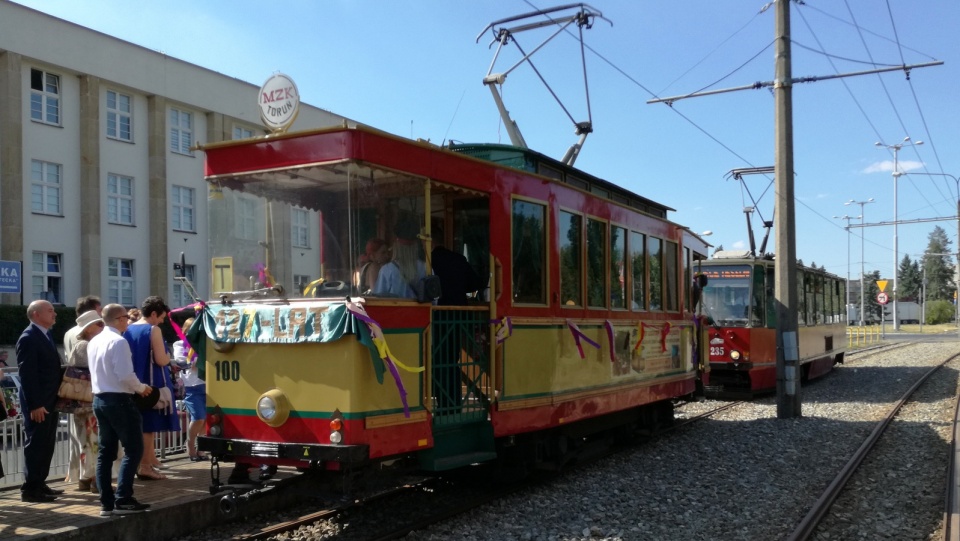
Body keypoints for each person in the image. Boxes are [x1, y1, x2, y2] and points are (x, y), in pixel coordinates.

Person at [89, 303, 153, 516]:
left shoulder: (95, 340)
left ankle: (106, 503)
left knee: (105, 453)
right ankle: (123, 498)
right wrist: (142, 388)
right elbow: (125, 375)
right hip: (119, 399)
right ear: (118, 319)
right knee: (133, 448)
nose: (128, 320)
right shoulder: (118, 341)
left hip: (99, 399)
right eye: (126, 317)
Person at [124, 296, 177, 480]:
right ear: (153, 314)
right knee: (149, 426)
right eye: (161, 317)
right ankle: (145, 466)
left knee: (138, 426)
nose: (162, 321)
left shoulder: (128, 328)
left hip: (132, 383)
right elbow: (161, 360)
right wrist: (169, 356)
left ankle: (145, 461)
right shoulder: (153, 329)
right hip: (150, 384)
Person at [16, 300, 63, 502]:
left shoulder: (45, 334)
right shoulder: (28, 338)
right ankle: (31, 489)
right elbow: (28, 374)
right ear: (36, 314)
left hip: (50, 401)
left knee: (46, 444)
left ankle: (40, 483)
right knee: (36, 446)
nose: (54, 314)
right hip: (39, 403)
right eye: (50, 311)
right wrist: (35, 404)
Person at [64, 310, 105, 492]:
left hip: (83, 402)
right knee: (93, 441)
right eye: (99, 324)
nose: (102, 328)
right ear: (89, 329)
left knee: (86, 441)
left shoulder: (83, 344)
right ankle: (95, 479)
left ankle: (85, 479)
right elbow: (91, 372)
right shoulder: (85, 346)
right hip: (88, 401)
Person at [173, 317, 207, 461]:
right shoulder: (180, 344)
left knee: (205, 419)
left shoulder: (204, 344)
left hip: (207, 384)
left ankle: (201, 448)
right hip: (192, 385)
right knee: (198, 417)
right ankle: (190, 444)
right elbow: (183, 362)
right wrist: (197, 357)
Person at [374, 215, 426, 299]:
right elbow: (433, 300)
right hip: (421, 312)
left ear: (396, 245)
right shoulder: (426, 268)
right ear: (416, 245)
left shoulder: (387, 270)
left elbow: (378, 298)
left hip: (395, 312)